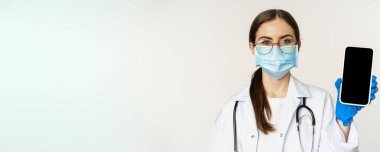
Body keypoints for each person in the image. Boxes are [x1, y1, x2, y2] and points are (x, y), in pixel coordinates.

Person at [209, 9, 378, 152]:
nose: (276, 48)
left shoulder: (319, 101)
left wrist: (343, 121)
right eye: (266, 42)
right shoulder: (233, 109)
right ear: (252, 48)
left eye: (286, 41)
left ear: (298, 46)